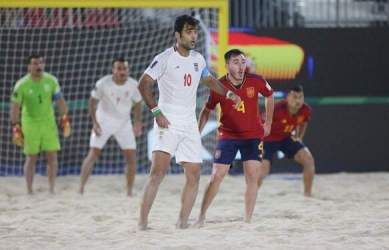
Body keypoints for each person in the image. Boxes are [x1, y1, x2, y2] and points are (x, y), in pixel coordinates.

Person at [137, 15, 241, 230]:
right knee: (157, 173)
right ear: (178, 35)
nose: (193, 36)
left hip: (189, 122)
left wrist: (229, 94)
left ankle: (182, 223)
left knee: (194, 174)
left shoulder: (198, 59)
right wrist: (157, 112)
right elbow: (143, 85)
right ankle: (142, 223)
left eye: (195, 32)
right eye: (189, 32)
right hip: (168, 120)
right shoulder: (164, 58)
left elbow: (209, 80)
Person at [195, 49, 274, 226]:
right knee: (217, 175)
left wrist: (268, 123)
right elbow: (206, 110)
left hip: (253, 135)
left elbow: (270, 95)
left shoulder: (256, 80)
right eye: (236, 62)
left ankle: (247, 220)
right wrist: (196, 133)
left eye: (243, 62)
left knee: (252, 176)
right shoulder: (219, 86)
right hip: (228, 135)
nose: (240, 66)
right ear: (227, 65)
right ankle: (201, 216)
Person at [79, 58, 143, 197]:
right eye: (119, 68)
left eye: (124, 68)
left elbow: (138, 103)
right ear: (113, 70)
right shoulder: (103, 83)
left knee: (131, 157)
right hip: (104, 121)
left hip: (124, 123)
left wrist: (137, 122)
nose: (122, 71)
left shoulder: (133, 84)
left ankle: (129, 192)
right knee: (93, 154)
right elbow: (92, 102)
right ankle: (81, 189)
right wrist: (95, 123)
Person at [10, 54, 71, 194]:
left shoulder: (51, 81)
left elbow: (60, 101)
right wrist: (15, 127)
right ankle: (29, 190)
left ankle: (51, 189)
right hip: (30, 122)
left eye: (41, 63)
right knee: (31, 157)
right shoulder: (21, 84)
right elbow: (15, 107)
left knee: (52, 156)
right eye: (35, 63)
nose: (39, 66)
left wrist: (65, 118)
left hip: (48, 121)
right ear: (29, 67)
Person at [258, 85, 315, 197]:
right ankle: (252, 193)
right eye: (294, 97)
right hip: (267, 139)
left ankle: (307, 195)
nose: (298, 100)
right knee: (264, 169)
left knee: (308, 160)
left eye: (300, 97)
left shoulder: (306, 110)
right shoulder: (276, 109)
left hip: (286, 138)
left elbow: (303, 123)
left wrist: (299, 137)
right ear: (288, 97)